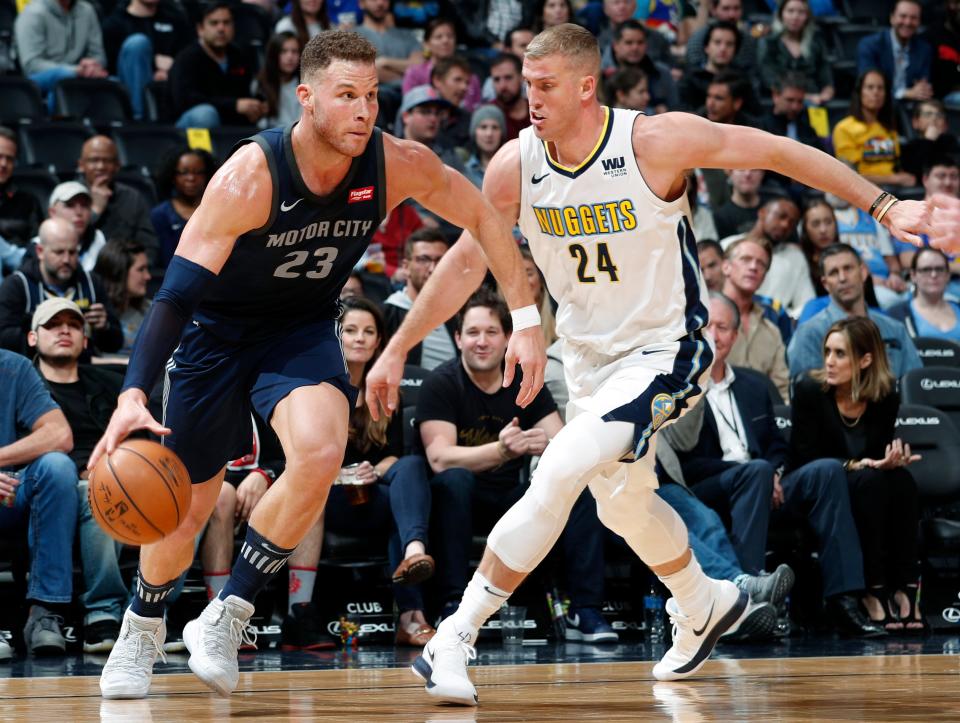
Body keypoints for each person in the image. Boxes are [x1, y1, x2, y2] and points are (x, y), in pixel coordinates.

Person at [365, 23, 929, 705]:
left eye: (544, 86)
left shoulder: (651, 142)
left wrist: (885, 203)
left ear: (585, 85)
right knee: (621, 499)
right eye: (525, 82)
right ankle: (703, 601)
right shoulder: (515, 165)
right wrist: (397, 348)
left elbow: (776, 150)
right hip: (590, 361)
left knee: (565, 462)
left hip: (668, 349)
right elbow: (466, 258)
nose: (530, 99)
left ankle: (456, 634)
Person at [92, 29, 543, 701]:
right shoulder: (250, 175)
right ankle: (143, 622)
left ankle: (228, 613)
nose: (364, 111)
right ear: (305, 98)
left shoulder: (395, 163)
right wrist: (133, 391)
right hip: (216, 335)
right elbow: (177, 294)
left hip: (299, 328)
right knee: (183, 511)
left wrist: (527, 318)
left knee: (321, 448)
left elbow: (482, 214)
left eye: (372, 96)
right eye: (346, 96)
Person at [676, 294, 881, 636]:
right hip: (709, 490)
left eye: (722, 327)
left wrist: (775, 472)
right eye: (706, 326)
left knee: (828, 470)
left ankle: (843, 599)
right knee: (755, 472)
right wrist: (755, 473)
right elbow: (685, 464)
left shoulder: (755, 385)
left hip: (764, 483)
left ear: (735, 336)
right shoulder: (681, 388)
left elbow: (776, 447)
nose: (714, 335)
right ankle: (750, 599)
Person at [417, 290, 614, 642]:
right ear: (458, 338)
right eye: (473, 332)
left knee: (578, 485)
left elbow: (562, 441)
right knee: (455, 481)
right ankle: (452, 606)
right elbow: (440, 457)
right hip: (463, 502)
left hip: (514, 497)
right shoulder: (441, 383)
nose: (482, 342)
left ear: (508, 338)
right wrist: (503, 450)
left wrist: (549, 447)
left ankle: (586, 611)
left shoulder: (525, 379)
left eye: (491, 332)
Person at [791, 317, 924, 632]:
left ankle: (905, 590)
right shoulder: (809, 390)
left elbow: (876, 455)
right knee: (870, 482)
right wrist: (855, 465)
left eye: (840, 354)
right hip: (819, 482)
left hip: (867, 478)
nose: (829, 362)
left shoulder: (885, 396)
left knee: (902, 481)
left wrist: (891, 459)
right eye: (827, 352)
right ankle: (872, 590)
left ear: (865, 360)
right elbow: (803, 456)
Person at [27, 297, 129, 653]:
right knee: (94, 491)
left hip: (117, 474)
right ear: (32, 338)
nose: (65, 330)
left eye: (74, 324)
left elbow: (138, 440)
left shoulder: (111, 383)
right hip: (53, 484)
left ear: (86, 341)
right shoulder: (25, 387)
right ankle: (103, 611)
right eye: (54, 325)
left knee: (186, 494)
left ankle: (153, 607)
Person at [0, 341, 76, 659]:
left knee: (57, 467)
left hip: (6, 493)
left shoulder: (12, 366)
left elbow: (59, 435)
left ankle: (45, 611)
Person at [787, 244, 922, 379]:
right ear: (825, 284)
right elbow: (805, 393)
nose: (842, 278)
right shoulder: (810, 333)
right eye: (834, 273)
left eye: (848, 268)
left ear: (863, 273)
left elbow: (915, 385)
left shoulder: (895, 330)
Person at [0, 218, 123, 358]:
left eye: (72, 252)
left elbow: (116, 343)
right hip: (34, 371)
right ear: (40, 251)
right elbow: (3, 340)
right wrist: (42, 329)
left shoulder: (91, 283)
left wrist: (105, 327)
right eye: (59, 252)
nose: (66, 260)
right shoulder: (17, 285)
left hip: (85, 370)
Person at [168, 1, 264, 129]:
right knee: (205, 114)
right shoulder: (187, 58)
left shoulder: (239, 56)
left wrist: (257, 106)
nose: (221, 28)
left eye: (226, 23)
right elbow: (186, 101)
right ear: (200, 29)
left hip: (230, 123)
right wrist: (234, 105)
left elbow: (248, 93)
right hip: (186, 129)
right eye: (214, 23)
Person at [720, 238, 790, 400]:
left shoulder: (772, 331)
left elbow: (782, 391)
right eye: (745, 259)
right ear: (726, 266)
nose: (753, 267)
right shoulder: (704, 321)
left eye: (761, 264)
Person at [101, 0, 192, 120]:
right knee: (137, 44)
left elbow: (190, 57)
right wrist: (152, 66)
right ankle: (139, 123)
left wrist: (171, 72)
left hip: (172, 94)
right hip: (129, 97)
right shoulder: (114, 23)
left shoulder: (176, 19)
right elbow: (110, 69)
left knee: (204, 114)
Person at [77, 136, 158, 263]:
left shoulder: (132, 197)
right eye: (94, 160)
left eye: (107, 161)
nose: (100, 166)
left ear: (117, 165)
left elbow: (149, 246)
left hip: (124, 274)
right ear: (81, 165)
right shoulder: (69, 195)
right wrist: (95, 211)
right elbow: (64, 241)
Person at [383, 229, 456, 370]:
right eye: (424, 260)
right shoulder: (387, 313)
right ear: (405, 267)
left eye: (440, 260)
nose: (433, 269)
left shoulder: (460, 312)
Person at [14, 0, 107, 109]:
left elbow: (99, 55)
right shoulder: (32, 13)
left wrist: (92, 66)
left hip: (79, 75)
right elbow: (31, 65)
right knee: (64, 77)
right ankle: (58, 123)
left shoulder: (87, 10)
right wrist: (75, 70)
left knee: (113, 83)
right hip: (40, 77)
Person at [832, 70, 915, 188]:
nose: (876, 92)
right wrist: (893, 179)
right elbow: (850, 174)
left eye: (880, 88)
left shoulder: (888, 129)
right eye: (870, 87)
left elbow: (894, 166)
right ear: (860, 92)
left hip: (892, 191)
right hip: (860, 191)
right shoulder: (844, 128)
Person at [150, 147, 217, 270]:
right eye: (184, 172)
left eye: (198, 172)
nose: (191, 178)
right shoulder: (160, 214)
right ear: (173, 176)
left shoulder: (217, 211)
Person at [757, 0, 832, 103]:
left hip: (814, 100)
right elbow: (769, 79)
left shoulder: (816, 42)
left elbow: (826, 78)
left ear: (807, 17)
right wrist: (802, 97)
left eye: (801, 12)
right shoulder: (770, 42)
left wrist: (824, 96)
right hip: (781, 100)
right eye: (790, 11)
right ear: (781, 14)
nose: (795, 17)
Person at [856, 0, 932, 102]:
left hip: (911, 107)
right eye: (903, 16)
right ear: (892, 18)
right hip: (878, 106)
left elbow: (923, 88)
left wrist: (920, 91)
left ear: (919, 22)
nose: (908, 22)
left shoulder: (924, 49)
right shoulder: (870, 45)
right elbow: (870, 89)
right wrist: (904, 94)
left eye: (913, 18)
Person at [402, 18, 482, 112]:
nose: (445, 41)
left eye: (450, 36)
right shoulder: (414, 74)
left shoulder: (471, 78)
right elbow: (409, 108)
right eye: (438, 37)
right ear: (426, 44)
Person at [601, 20, 677, 113]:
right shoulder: (599, 75)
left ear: (646, 45)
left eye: (640, 42)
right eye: (629, 43)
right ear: (615, 45)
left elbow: (676, 108)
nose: (635, 48)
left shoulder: (662, 73)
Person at [94, 241, 152, 358]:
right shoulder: (97, 313)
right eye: (141, 269)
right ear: (119, 272)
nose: (148, 276)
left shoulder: (151, 311)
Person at [888, 247, 960, 341]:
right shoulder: (896, 315)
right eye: (926, 270)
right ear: (913, 275)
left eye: (939, 269)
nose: (934, 274)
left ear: (947, 275)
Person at [354, 0, 421, 86]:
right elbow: (357, 72)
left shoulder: (407, 35)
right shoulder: (350, 36)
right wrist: (407, 78)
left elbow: (419, 67)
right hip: (369, 95)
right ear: (361, 3)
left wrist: (384, 62)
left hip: (408, 97)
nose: (380, 3)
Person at [678, 21, 740, 112]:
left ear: (735, 50)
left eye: (729, 44)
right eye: (717, 42)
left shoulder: (741, 80)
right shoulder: (690, 78)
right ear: (706, 47)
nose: (723, 48)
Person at [44, 181, 106, 272]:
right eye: (70, 205)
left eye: (85, 205)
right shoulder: (39, 244)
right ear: (52, 212)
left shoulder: (98, 239)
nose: (79, 212)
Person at [0, 127, 43, 250]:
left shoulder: (28, 202)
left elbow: (37, 245)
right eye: (0, 156)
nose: (3, 164)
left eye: (9, 159)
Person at [760, 72, 824, 150]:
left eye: (800, 101)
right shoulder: (760, 129)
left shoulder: (808, 131)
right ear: (775, 95)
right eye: (790, 100)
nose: (795, 107)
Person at [900, 101, 960, 182]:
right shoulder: (909, 147)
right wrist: (928, 141)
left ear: (945, 125)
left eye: (939, 115)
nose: (934, 119)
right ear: (916, 122)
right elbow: (915, 171)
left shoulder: (951, 142)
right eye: (928, 114)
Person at [255, 32, 303, 130]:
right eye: (283, 51)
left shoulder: (305, 85)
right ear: (274, 54)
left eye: (294, 51)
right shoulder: (260, 84)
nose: (290, 57)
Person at [489, 53, 531, 141]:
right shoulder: (487, 114)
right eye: (496, 79)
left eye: (508, 78)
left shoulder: (537, 110)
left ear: (522, 77)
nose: (502, 86)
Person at [463, 105, 507, 190]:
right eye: (483, 127)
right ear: (474, 132)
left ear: (502, 133)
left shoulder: (514, 170)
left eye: (495, 127)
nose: (489, 133)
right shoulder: (465, 172)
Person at [713, 169, 765, 241]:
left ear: (762, 173)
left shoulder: (773, 208)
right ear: (730, 172)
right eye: (741, 169)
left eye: (754, 169)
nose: (747, 174)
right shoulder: (719, 217)